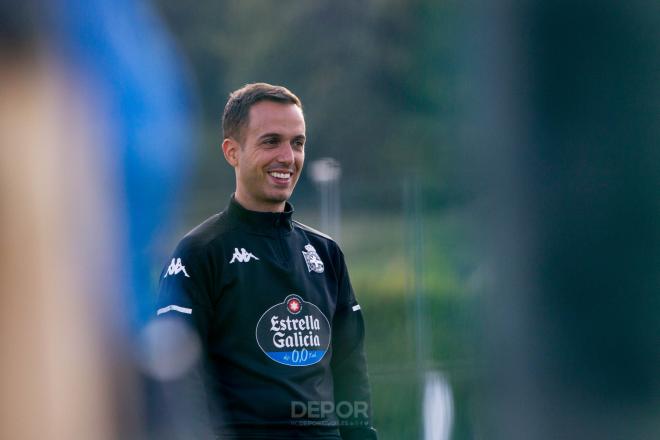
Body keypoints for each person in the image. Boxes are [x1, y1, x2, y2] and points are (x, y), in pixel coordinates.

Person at [156, 83, 378, 439]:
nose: (288, 157)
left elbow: (350, 371)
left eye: (298, 143)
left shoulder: (326, 253)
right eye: (271, 141)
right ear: (232, 152)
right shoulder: (199, 253)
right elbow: (178, 378)